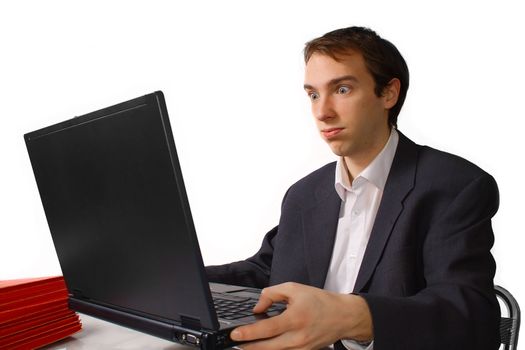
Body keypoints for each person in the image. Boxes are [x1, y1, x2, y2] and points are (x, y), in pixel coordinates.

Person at [206, 26, 500, 350]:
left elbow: (470, 320)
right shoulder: (303, 195)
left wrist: (353, 317)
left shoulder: (454, 187)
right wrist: (174, 281)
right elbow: (266, 271)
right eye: (313, 94)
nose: (322, 112)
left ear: (388, 93)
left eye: (342, 89)